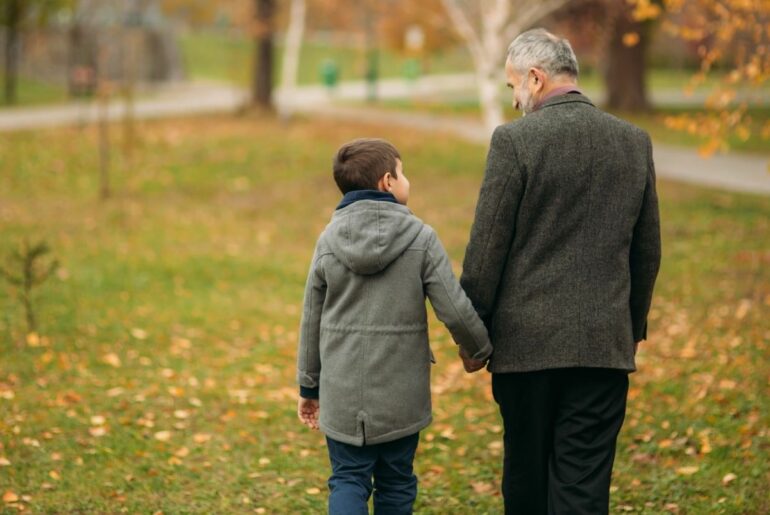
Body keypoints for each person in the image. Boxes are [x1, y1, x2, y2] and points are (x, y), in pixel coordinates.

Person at [459, 28, 662, 514]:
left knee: (526, 482)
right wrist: (628, 329)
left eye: (513, 87)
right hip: (602, 349)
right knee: (584, 488)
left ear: (535, 77)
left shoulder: (515, 142)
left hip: (525, 350)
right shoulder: (634, 141)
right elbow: (647, 250)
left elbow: (487, 250)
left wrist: (472, 335)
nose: (513, 101)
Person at [297, 138, 492, 514]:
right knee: (397, 482)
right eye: (403, 173)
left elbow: (311, 318)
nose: (407, 180)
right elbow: (453, 307)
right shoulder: (420, 238)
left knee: (348, 478)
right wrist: (478, 349)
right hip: (401, 396)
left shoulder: (328, 240)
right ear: (388, 181)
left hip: (342, 392)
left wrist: (309, 385)